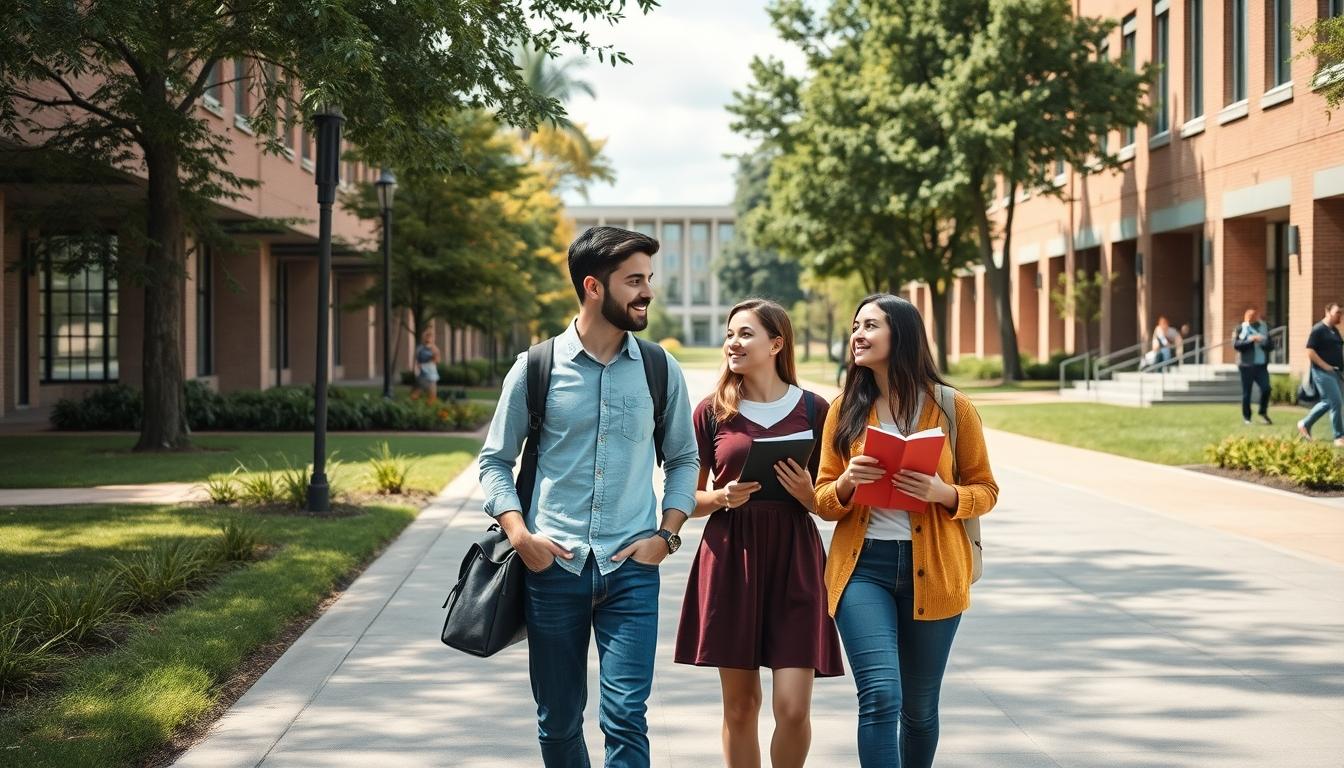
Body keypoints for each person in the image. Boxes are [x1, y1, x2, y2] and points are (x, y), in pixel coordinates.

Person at [477, 226, 699, 767]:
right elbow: (494, 461)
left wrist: (666, 537)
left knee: (626, 716)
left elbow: (685, 459)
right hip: (554, 568)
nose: (647, 291)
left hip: (632, 570)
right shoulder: (536, 368)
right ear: (594, 287)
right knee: (557, 720)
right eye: (634, 281)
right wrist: (520, 534)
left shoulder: (658, 368)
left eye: (648, 279)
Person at [813, 294, 999, 768]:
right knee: (880, 695)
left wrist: (944, 493)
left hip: (935, 569)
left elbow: (986, 489)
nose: (857, 335)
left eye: (870, 326)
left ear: (903, 334)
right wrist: (849, 483)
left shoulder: (953, 408)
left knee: (918, 711)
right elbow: (823, 499)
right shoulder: (845, 410)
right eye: (855, 326)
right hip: (862, 569)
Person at [676, 299, 844, 768]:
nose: (733, 342)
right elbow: (684, 499)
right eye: (730, 333)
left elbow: (835, 505)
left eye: (745, 333)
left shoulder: (816, 410)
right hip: (732, 555)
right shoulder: (711, 412)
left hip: (796, 557)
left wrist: (812, 496)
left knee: (793, 707)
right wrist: (721, 497)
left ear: (776, 343)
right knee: (741, 706)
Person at [1299, 302, 1344, 447]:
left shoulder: (1335, 331)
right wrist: (1326, 366)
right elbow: (1310, 351)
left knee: (1328, 402)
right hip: (1322, 372)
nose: (1340, 316)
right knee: (1336, 402)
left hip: (1335, 372)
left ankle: (1305, 424)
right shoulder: (1318, 329)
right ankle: (1339, 437)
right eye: (1337, 312)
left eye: (1341, 313)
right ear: (1327, 311)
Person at [1233, 308, 1274, 425]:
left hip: (1261, 365)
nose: (1250, 321)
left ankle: (1262, 412)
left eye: (1253, 319)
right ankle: (1247, 417)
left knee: (1266, 388)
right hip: (1246, 366)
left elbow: (1270, 346)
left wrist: (1262, 341)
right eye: (1249, 320)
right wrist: (1250, 340)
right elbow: (1236, 345)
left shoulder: (1265, 327)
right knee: (1247, 393)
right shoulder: (1240, 328)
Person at [411, 328, 440, 401]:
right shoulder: (420, 349)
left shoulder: (434, 349)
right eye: (427, 336)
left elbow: (437, 360)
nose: (428, 338)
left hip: (432, 374)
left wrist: (434, 352)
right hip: (423, 375)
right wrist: (417, 368)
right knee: (416, 393)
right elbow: (417, 361)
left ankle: (430, 407)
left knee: (432, 396)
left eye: (430, 336)